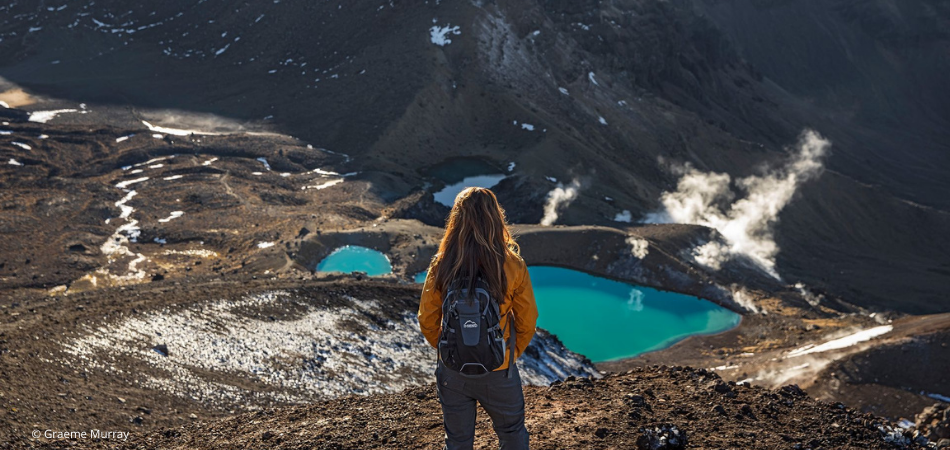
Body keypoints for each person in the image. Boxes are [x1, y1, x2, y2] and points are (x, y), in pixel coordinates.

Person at [418, 187, 539, 450]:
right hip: (499, 369)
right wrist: (508, 355)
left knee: (458, 441)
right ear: (496, 217)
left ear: (456, 220)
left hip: (453, 371)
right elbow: (528, 319)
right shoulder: (512, 264)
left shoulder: (441, 264)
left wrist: (451, 349)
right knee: (512, 433)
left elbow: (427, 318)